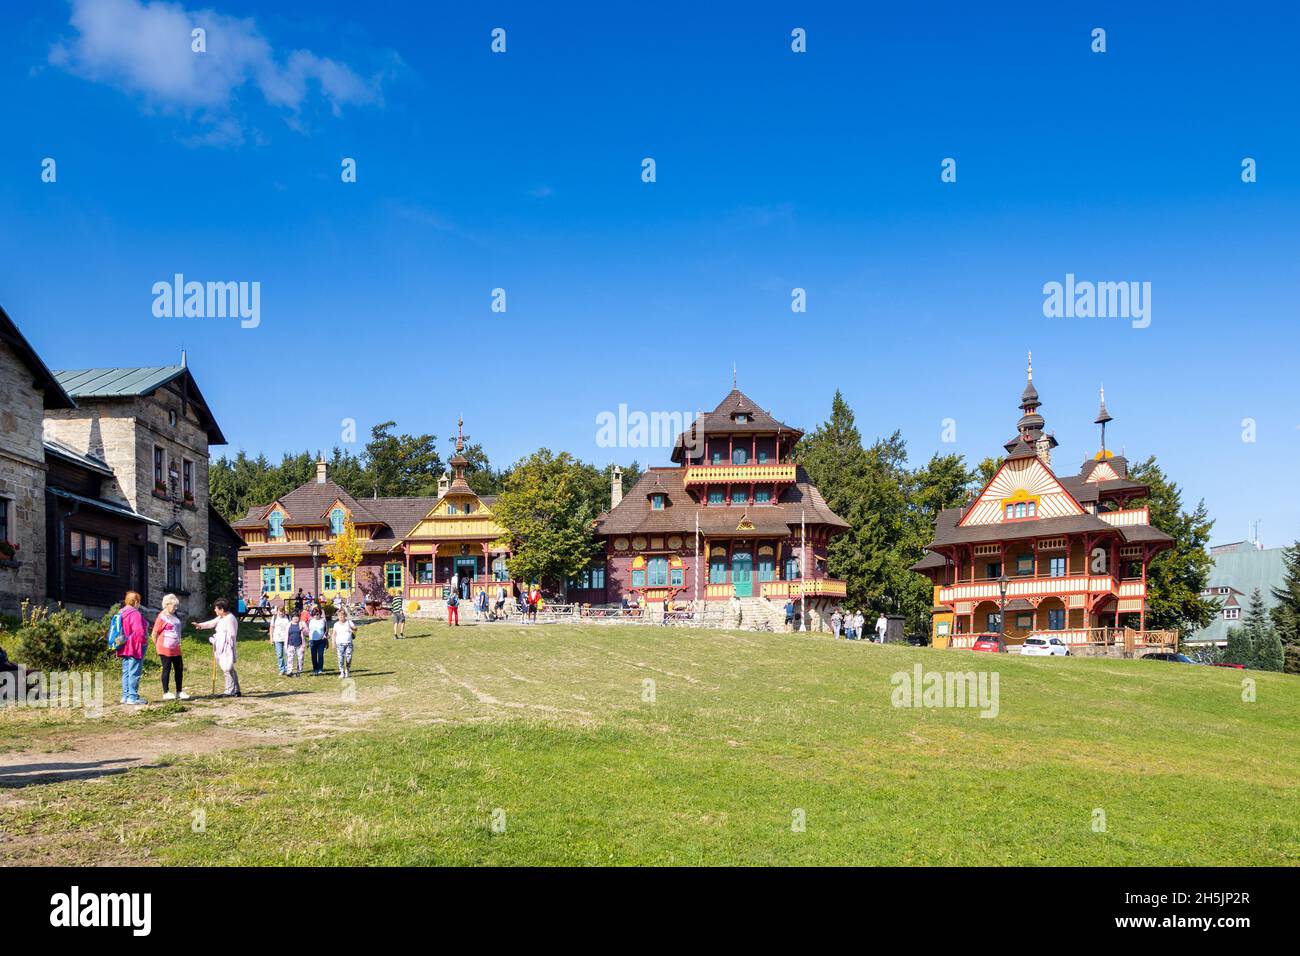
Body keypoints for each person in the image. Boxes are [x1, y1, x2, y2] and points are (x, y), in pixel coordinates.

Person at [195, 598, 240, 697]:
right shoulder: (221, 617)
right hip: (221, 646)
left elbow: (232, 635)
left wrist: (220, 641)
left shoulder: (230, 619)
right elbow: (211, 623)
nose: (215, 610)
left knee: (227, 668)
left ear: (222, 609)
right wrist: (200, 625)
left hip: (227, 647)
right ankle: (236, 689)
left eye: (216, 608)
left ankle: (229, 691)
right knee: (229, 668)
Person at [114, 591, 149, 705]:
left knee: (126, 672)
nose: (139, 604)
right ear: (135, 602)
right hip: (134, 646)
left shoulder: (121, 612)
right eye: (139, 602)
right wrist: (143, 642)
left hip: (123, 645)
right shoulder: (134, 613)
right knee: (134, 671)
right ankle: (133, 697)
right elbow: (138, 631)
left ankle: (125, 696)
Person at [152, 593, 188, 700]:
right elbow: (154, 634)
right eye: (174, 606)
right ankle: (166, 692)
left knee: (179, 668)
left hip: (175, 647)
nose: (175, 608)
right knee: (167, 668)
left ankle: (179, 691)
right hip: (165, 647)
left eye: (176, 606)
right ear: (167, 604)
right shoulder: (162, 617)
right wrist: (157, 647)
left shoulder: (174, 615)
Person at [332, 609, 356, 678]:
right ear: (338, 617)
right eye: (339, 616)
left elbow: (355, 629)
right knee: (340, 658)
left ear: (345, 616)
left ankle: (347, 670)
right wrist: (333, 643)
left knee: (349, 658)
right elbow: (334, 634)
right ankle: (342, 672)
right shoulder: (336, 624)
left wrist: (352, 628)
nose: (341, 617)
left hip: (349, 643)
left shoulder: (349, 622)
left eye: (342, 616)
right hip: (339, 644)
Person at [269, 607, 289, 675]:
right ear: (277, 612)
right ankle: (282, 669)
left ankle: (287, 669)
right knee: (279, 654)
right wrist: (271, 639)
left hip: (287, 639)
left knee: (287, 654)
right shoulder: (274, 618)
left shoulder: (288, 617)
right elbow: (271, 628)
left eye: (282, 612)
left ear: (284, 612)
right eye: (280, 612)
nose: (281, 613)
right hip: (277, 639)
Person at [308, 608, 328, 675]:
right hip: (312, 640)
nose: (315, 616)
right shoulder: (310, 620)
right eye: (314, 614)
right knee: (313, 655)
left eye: (317, 614)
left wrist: (325, 636)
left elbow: (326, 630)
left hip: (321, 640)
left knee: (320, 655)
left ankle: (320, 668)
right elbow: (308, 630)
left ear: (319, 613)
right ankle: (315, 668)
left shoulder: (323, 620)